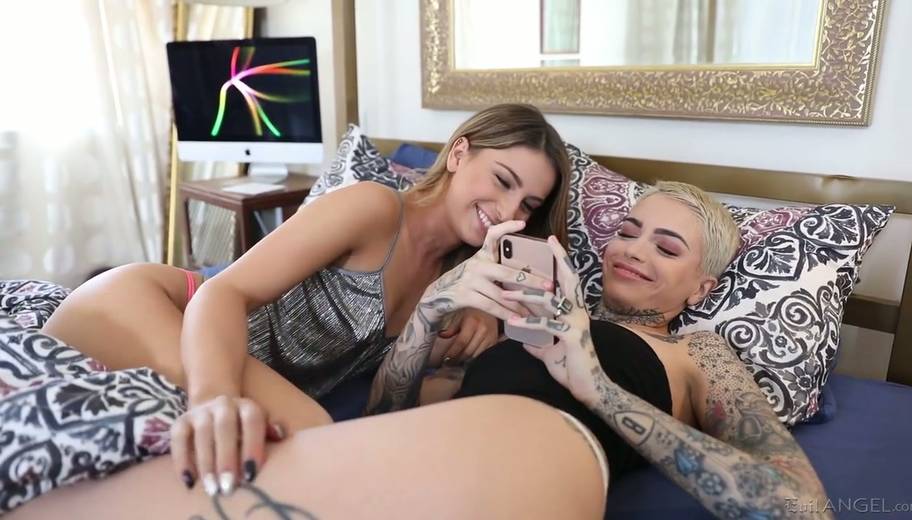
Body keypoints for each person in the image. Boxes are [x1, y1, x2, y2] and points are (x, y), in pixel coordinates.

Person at [17, 182, 831, 519]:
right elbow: (384, 414)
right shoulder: (537, 312)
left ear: (700, 285)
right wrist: (433, 314)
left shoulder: (700, 353)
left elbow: (799, 504)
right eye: (627, 229)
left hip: (540, 455)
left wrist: (597, 386)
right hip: (425, 457)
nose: (632, 250)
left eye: (666, 246)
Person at [40, 103, 571, 494]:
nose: (508, 211)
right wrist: (215, 398)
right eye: (502, 181)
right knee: (317, 439)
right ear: (459, 154)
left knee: (326, 454)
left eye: (527, 204)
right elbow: (225, 289)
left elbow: (384, 410)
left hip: (241, 370)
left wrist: (450, 332)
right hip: (155, 309)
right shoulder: (374, 209)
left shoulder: (457, 287)